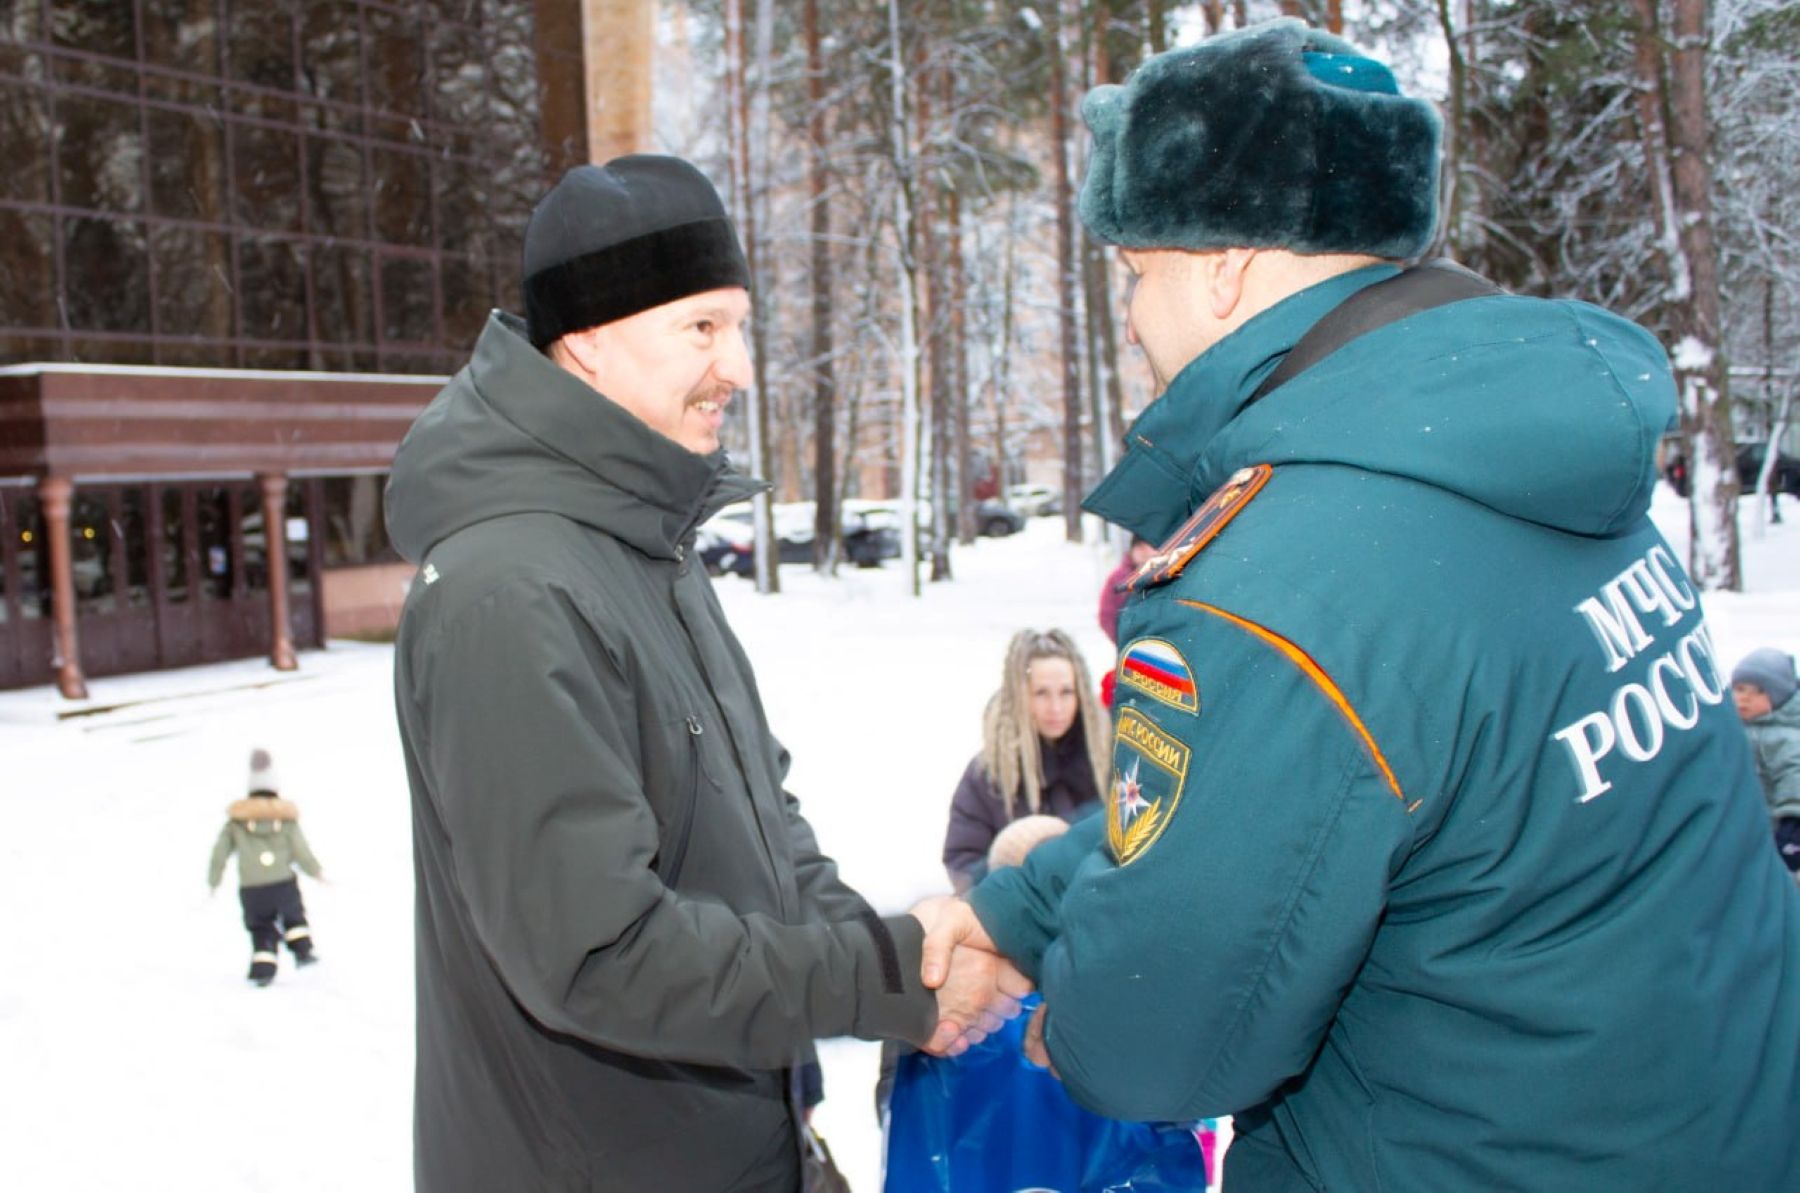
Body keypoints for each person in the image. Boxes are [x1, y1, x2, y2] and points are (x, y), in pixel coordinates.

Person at [916, 19, 1800, 1190]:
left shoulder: (1286, 573)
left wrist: (1073, 1019)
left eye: (1134, 272)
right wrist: (1025, 906)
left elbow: (1161, 1039)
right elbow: (1297, 803)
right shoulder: (1534, 466)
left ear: (1223, 262)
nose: (1128, 316)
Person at [384, 154, 1025, 1193]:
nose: (740, 365)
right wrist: (887, 974)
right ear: (588, 339)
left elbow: (760, 837)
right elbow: (599, 953)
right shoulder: (509, 590)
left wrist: (910, 960)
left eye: (739, 323)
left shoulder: (644, 547)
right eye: (701, 327)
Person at [942, 629, 1108, 892]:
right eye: (1041, 693)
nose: (1055, 707)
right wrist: (1017, 863)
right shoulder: (988, 774)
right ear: (1019, 695)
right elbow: (963, 865)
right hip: (1020, 922)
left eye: (1066, 692)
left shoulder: (1108, 760)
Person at [206, 748, 322, 986]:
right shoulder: (286, 819)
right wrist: (315, 871)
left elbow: (220, 852)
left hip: (252, 888)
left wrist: (213, 880)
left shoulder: (236, 822)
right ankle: (303, 951)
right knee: (294, 919)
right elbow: (301, 849)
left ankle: (263, 968)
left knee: (261, 928)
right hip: (283, 883)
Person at [1732, 647, 1800, 873]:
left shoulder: (1786, 739)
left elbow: (1794, 777)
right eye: (1739, 689)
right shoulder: (1734, 731)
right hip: (1746, 833)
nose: (1744, 698)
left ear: (1777, 697)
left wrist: (1792, 825)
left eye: (1758, 691)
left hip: (1777, 834)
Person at [1098, 535, 1155, 644]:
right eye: (1140, 548)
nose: (1145, 552)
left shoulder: (1161, 574)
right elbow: (1106, 615)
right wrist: (1122, 640)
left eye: (1149, 547)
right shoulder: (1118, 578)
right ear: (1133, 549)